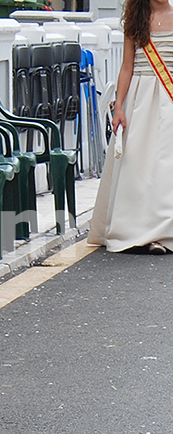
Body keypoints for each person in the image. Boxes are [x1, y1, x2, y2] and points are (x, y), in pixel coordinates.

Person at [88, 0, 173, 255]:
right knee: (136, 166)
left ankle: (161, 234)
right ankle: (136, 230)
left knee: (164, 166)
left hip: (168, 99)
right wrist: (119, 107)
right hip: (139, 99)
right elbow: (127, 67)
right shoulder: (135, 20)